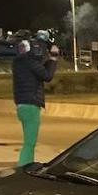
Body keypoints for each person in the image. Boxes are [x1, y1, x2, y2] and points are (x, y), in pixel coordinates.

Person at [12, 36, 60, 165]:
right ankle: (22, 168)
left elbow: (40, 71)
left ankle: (28, 164)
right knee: (29, 143)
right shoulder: (30, 62)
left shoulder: (17, 62)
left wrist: (47, 59)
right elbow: (47, 76)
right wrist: (53, 58)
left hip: (21, 106)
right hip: (31, 105)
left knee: (29, 141)